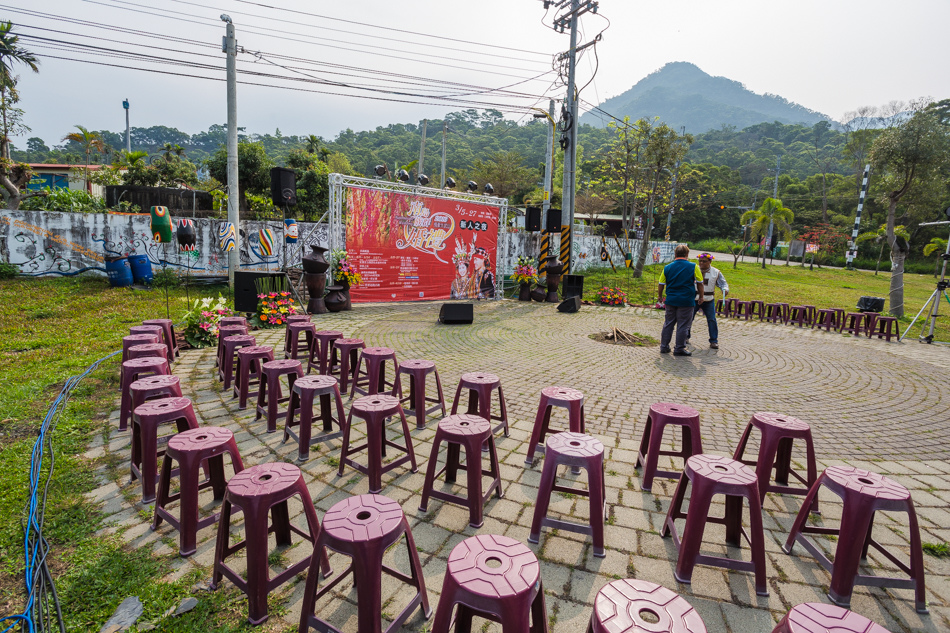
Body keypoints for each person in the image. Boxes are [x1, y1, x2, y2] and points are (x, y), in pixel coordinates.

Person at [657, 244, 704, 356]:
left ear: (675, 254)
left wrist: (660, 296)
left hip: (671, 300)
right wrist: (701, 297)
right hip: (686, 301)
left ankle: (664, 346)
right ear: (687, 254)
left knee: (668, 323)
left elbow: (661, 283)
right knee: (683, 325)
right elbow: (700, 283)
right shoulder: (694, 266)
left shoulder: (667, 267)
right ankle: (679, 348)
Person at [687, 252, 729, 349]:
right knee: (688, 318)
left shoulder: (716, 272)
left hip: (708, 300)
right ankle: (685, 337)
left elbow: (723, 284)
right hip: (694, 299)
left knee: (711, 320)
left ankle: (714, 340)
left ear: (710, 261)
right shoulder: (693, 270)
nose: (701, 263)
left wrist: (725, 290)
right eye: (700, 261)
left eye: (704, 261)